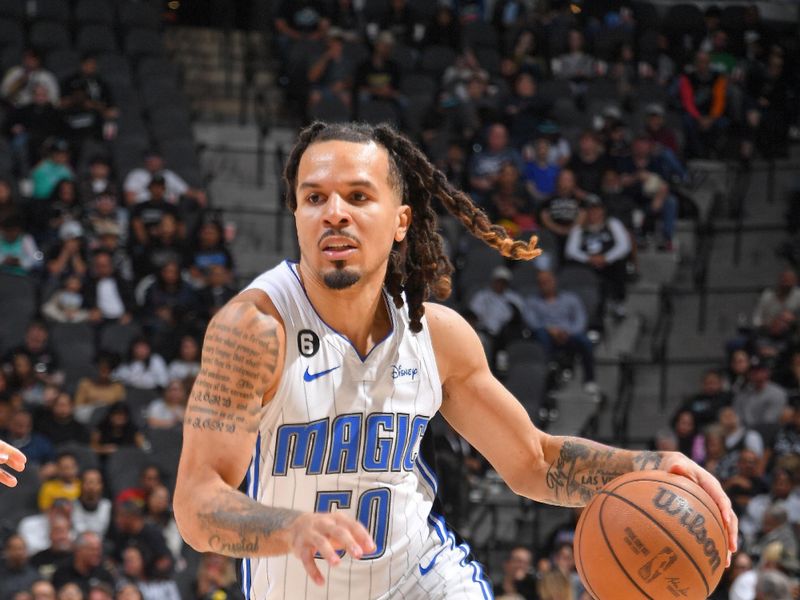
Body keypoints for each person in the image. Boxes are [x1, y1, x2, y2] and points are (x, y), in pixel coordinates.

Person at [173, 122, 737, 599]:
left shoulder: (436, 336)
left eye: (359, 196)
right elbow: (197, 506)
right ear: (296, 215)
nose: (334, 214)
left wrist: (645, 467)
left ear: (401, 220)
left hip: (423, 581)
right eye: (314, 197)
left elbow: (533, 462)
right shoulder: (253, 331)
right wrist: (290, 528)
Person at [523, 270, 597, 393]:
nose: (545, 285)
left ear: (555, 281)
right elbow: (531, 322)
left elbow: (580, 320)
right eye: (542, 282)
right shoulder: (532, 302)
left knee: (586, 342)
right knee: (541, 334)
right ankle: (549, 369)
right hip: (546, 334)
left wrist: (567, 332)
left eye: (548, 281)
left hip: (569, 334)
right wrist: (550, 329)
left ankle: (589, 380)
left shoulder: (571, 299)